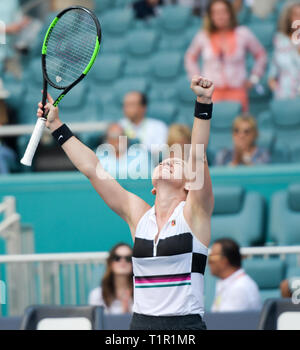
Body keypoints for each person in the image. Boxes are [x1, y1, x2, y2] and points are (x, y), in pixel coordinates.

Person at [36, 74, 214, 330]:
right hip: (140, 326)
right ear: (153, 187)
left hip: (184, 327)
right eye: (164, 160)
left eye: (177, 162)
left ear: (190, 183)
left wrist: (203, 102)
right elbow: (92, 168)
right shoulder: (139, 216)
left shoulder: (196, 214)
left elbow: (197, 154)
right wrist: (56, 126)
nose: (168, 161)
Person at [185, 0, 267, 111]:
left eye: (224, 12)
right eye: (216, 13)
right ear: (211, 16)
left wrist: (254, 78)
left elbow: (261, 54)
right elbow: (190, 57)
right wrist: (197, 80)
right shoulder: (203, 36)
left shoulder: (243, 33)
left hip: (237, 92)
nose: (220, 16)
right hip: (211, 93)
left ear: (230, 14)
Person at [209, 238, 262, 312]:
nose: (209, 263)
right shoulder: (229, 283)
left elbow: (227, 321)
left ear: (224, 261)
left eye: (211, 258)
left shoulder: (239, 287)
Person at [120, 91, 168, 162]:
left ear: (143, 108)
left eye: (131, 104)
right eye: (125, 105)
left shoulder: (158, 127)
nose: (126, 108)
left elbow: (161, 152)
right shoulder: (119, 126)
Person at [88, 243, 134, 314]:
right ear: (110, 263)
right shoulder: (97, 295)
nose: (123, 261)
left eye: (128, 258)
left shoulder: (141, 294)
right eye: (117, 258)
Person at [268, 2, 300, 100]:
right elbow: (273, 71)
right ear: (289, 18)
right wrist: (275, 87)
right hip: (283, 95)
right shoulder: (279, 40)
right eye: (296, 15)